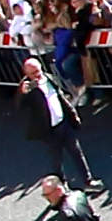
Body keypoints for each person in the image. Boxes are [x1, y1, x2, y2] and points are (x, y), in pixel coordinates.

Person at [20, 54, 95, 191]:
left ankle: (88, 181)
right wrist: (22, 93)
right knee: (56, 160)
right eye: (32, 73)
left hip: (63, 124)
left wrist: (73, 115)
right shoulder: (27, 88)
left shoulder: (49, 78)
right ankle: (62, 187)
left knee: (76, 153)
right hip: (49, 130)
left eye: (38, 71)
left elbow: (61, 97)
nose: (36, 75)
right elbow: (19, 106)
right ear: (26, 74)